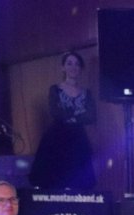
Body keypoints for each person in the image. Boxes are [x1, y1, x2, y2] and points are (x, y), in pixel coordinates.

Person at [28, 51, 97, 190]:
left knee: (79, 176)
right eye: (69, 63)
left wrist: (70, 114)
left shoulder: (86, 93)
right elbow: (56, 112)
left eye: (76, 64)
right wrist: (78, 114)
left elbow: (91, 116)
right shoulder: (55, 89)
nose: (73, 67)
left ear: (81, 68)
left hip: (78, 137)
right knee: (54, 173)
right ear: (63, 67)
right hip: (57, 136)